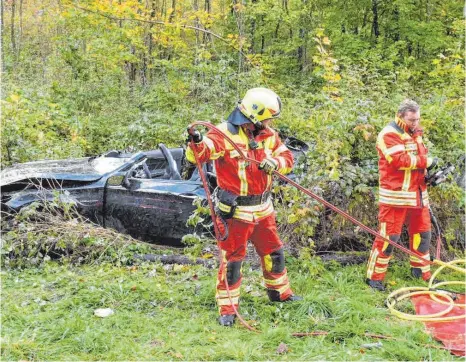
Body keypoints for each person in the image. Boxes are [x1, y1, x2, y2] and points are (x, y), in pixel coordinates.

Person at [186, 87, 302, 326]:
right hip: (236, 211)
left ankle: (279, 293)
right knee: (233, 261)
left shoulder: (268, 135)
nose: (270, 121)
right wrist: (196, 142)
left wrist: (276, 162)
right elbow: (200, 154)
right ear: (255, 116)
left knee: (274, 253)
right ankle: (228, 308)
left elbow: (288, 158)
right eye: (268, 116)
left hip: (264, 210)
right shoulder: (223, 134)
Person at [366, 99, 437, 291]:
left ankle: (421, 273)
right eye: (412, 120)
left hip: (418, 195)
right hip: (395, 197)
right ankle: (374, 278)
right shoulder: (388, 134)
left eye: (417, 119)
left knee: (422, 235)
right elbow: (399, 160)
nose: (416, 123)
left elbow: (417, 162)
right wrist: (426, 161)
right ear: (401, 116)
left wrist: (428, 174)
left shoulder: (416, 133)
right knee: (389, 238)